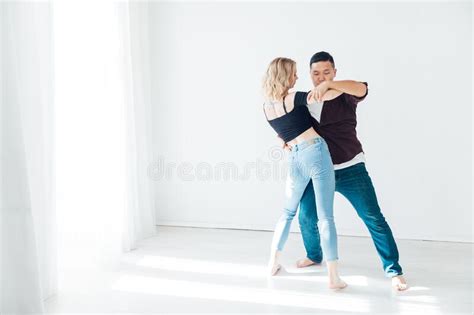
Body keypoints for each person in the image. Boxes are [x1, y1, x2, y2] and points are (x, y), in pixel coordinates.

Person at [294, 51, 408, 291]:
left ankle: (394, 270)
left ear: (335, 72)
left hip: (351, 167)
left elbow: (361, 88)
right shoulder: (303, 100)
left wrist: (330, 85)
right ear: (309, 74)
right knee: (306, 215)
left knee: (373, 217)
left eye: (326, 72)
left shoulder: (345, 94)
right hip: (318, 172)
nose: (320, 77)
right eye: (316, 73)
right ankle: (314, 255)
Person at [262, 57, 346, 289]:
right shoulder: (294, 97)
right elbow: (325, 95)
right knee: (325, 216)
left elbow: (282, 134)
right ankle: (333, 278)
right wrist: (329, 84)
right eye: (294, 73)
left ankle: (272, 263)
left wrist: (285, 142)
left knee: (287, 213)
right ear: (284, 75)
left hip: (295, 157)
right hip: (316, 152)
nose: (297, 77)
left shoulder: (267, 108)